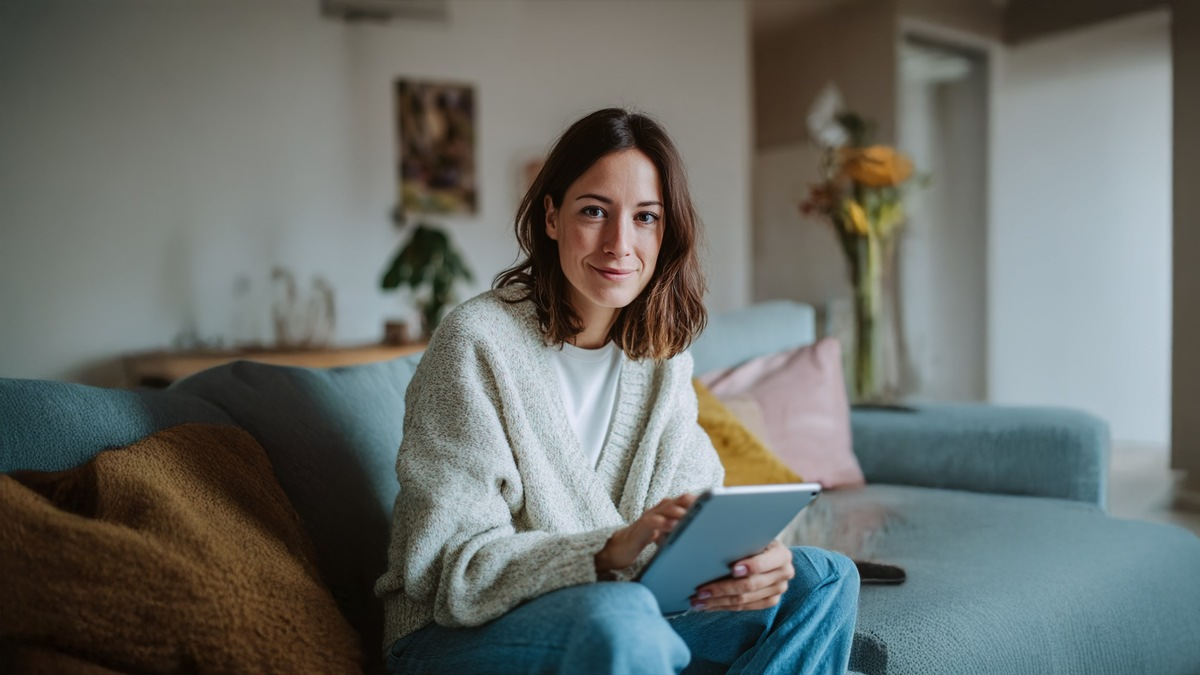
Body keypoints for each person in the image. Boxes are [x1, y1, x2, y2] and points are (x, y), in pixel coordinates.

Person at [374, 108, 860, 674]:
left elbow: (694, 521)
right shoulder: (477, 342)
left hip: (627, 614)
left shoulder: (662, 361)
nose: (619, 244)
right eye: (594, 211)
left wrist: (750, 564)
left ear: (666, 231)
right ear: (551, 217)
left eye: (645, 217)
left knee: (824, 578)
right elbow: (450, 569)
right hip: (452, 636)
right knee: (623, 616)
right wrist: (609, 552)